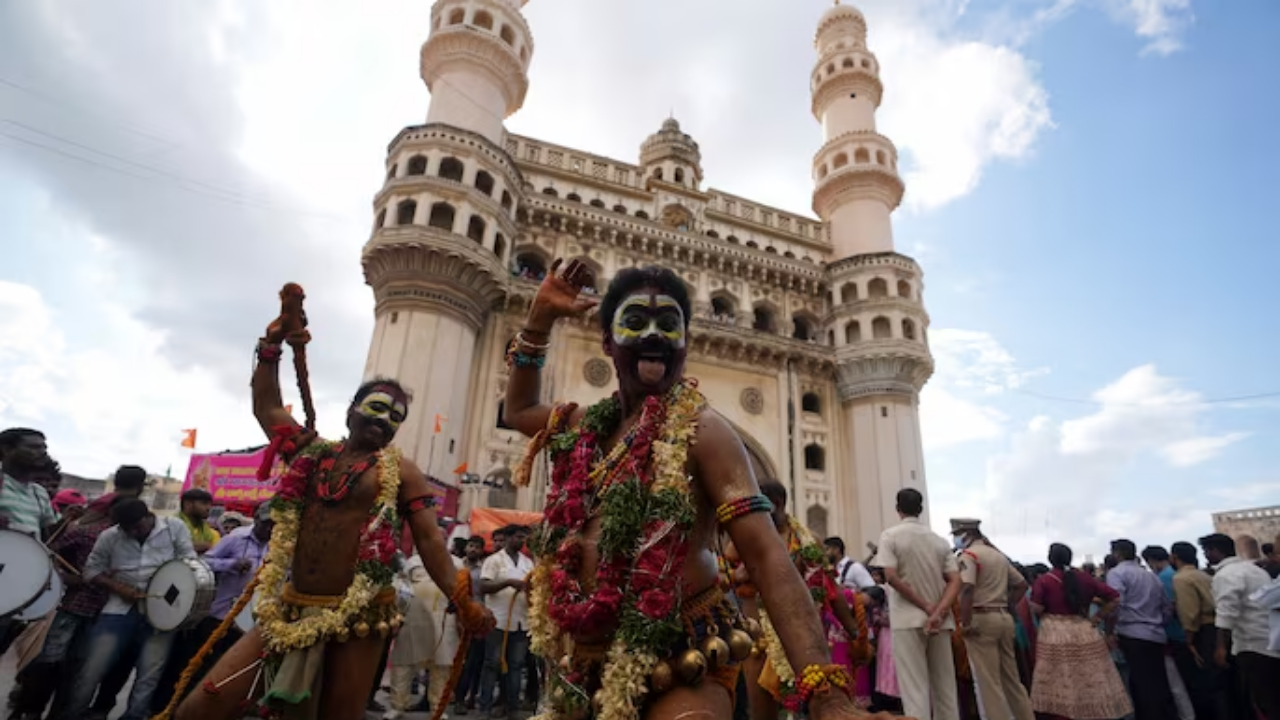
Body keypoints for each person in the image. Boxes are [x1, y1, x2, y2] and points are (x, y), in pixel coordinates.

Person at [504, 261, 872, 720]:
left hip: (682, 657)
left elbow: (765, 555)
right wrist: (539, 321)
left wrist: (828, 696)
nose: (653, 335)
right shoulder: (584, 427)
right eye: (635, 322)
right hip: (581, 661)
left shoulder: (705, 432)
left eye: (669, 324)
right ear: (607, 341)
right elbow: (518, 410)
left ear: (685, 343)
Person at [172, 291, 493, 720]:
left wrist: (462, 599)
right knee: (200, 709)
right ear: (351, 411)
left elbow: (431, 540)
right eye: (377, 408)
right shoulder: (311, 453)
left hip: (360, 616)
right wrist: (270, 347)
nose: (385, 420)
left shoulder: (402, 471)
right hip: (288, 606)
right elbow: (267, 408)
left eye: (396, 417)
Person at [8, 466, 148, 720]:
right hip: (75, 606)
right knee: (51, 662)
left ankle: (48, 712)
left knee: (75, 669)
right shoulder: (89, 533)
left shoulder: (133, 542)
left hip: (104, 612)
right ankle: (27, 709)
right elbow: (49, 554)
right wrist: (69, 578)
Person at [53, 499, 196, 720]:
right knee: (92, 669)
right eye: (126, 529)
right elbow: (92, 570)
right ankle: (72, 714)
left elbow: (189, 562)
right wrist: (117, 587)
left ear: (149, 516)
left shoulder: (174, 528)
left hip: (163, 609)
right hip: (119, 608)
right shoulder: (111, 536)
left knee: (149, 674)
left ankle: (134, 716)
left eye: (137, 527)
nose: (132, 532)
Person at [738, 481, 867, 720]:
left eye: (758, 503)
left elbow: (831, 589)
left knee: (805, 706)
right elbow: (725, 576)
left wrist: (854, 631)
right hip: (760, 641)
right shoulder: (746, 536)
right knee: (760, 712)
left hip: (802, 639)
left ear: (776, 503)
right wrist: (741, 575)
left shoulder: (808, 541)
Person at [151, 502, 275, 712]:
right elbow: (203, 562)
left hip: (249, 624)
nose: (270, 529)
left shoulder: (280, 546)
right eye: (266, 524)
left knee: (225, 675)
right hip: (218, 617)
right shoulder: (235, 538)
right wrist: (231, 564)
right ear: (255, 519)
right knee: (196, 669)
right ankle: (171, 710)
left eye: (275, 524)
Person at [874, 488, 961, 720]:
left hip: (907, 619)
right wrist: (938, 610)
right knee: (945, 687)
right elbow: (955, 581)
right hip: (940, 621)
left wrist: (925, 606)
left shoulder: (890, 536)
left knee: (914, 690)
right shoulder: (940, 541)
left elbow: (890, 576)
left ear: (898, 509)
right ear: (921, 509)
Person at [1027, 542, 1131, 720]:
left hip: (1054, 632)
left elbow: (1036, 608)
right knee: (1089, 679)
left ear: (1050, 558)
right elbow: (1114, 598)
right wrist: (1098, 617)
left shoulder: (1044, 580)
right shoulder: (1084, 578)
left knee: (1059, 679)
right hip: (1085, 630)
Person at [950, 518, 1034, 720]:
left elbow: (968, 588)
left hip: (981, 619)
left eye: (956, 535)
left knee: (988, 682)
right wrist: (1007, 603)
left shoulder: (969, 556)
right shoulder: (998, 556)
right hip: (1003, 617)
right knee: (1011, 679)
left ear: (965, 534)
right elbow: (1022, 584)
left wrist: (965, 622)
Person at [1200, 532, 1280, 719]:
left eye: (1206, 551)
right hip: (1270, 638)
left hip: (1252, 644)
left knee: (1265, 700)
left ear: (1214, 551)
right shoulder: (1255, 570)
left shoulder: (1226, 575)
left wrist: (1220, 646)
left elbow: (1226, 611)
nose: (1205, 556)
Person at [1106, 538, 1176, 720]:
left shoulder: (1116, 574)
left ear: (1117, 554)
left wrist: (1109, 631)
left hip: (1132, 633)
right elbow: (1166, 606)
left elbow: (1115, 604)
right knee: (1159, 683)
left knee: (1141, 685)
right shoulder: (1150, 575)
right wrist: (1160, 624)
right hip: (1156, 634)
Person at [478, 524, 535, 720]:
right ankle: (484, 708)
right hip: (498, 621)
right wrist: (508, 583)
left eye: (523, 538)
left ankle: (513, 709)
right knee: (491, 664)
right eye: (518, 537)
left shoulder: (528, 563)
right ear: (509, 538)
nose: (522, 541)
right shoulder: (494, 561)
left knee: (516, 666)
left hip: (521, 622)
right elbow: (483, 586)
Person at [1168, 540, 1224, 720]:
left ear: (1175, 557)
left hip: (1202, 631)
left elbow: (1189, 613)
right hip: (1216, 627)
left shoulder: (1181, 578)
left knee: (1201, 681)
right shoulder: (1203, 575)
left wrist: (1189, 640)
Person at [384, 551, 435, 720]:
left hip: (439, 620)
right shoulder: (407, 567)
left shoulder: (450, 562)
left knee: (439, 666)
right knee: (402, 665)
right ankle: (397, 706)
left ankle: (438, 708)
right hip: (408, 620)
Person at [454, 535, 490, 716]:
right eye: (471, 546)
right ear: (465, 548)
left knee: (472, 663)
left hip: (476, 620)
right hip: (455, 617)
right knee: (452, 660)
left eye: (477, 547)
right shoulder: (456, 565)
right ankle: (446, 696)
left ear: (482, 550)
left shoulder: (484, 569)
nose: (473, 549)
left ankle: (463, 698)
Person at [177, 487, 220, 554]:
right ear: (188, 504)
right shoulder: (172, 525)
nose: (208, 508)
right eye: (204, 503)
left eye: (210, 504)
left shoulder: (208, 530)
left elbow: (214, 552)